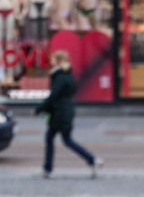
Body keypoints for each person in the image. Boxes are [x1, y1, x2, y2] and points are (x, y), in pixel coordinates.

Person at [34, 50, 104, 178]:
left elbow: (53, 96)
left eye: (53, 59)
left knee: (63, 140)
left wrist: (39, 109)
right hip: (65, 111)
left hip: (59, 113)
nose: (50, 61)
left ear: (58, 61)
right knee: (58, 139)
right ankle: (91, 160)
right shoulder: (68, 74)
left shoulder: (59, 76)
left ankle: (92, 160)